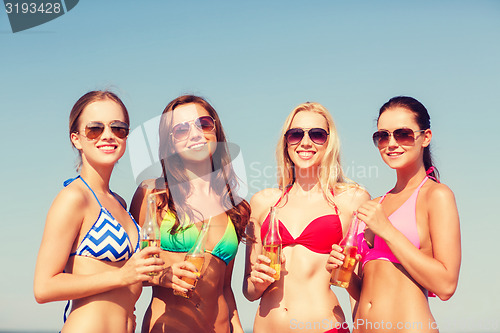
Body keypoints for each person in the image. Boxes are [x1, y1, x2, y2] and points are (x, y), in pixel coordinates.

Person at [327, 96, 461, 332]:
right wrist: (343, 273)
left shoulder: (436, 195)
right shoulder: (376, 203)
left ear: (425, 137)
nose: (391, 143)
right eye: (382, 136)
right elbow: (368, 290)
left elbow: (446, 285)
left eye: (403, 134)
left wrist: (387, 230)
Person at [34, 91, 164, 333]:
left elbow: (125, 278)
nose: (108, 135)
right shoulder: (74, 198)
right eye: (95, 129)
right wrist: (122, 276)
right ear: (76, 139)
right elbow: (43, 287)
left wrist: (165, 274)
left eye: (118, 128)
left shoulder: (119, 202)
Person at [243, 102, 370, 333]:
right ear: (286, 142)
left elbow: (363, 291)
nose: (305, 142)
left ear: (329, 142)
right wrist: (257, 282)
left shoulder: (352, 200)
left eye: (317, 134)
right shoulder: (262, 202)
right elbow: (249, 292)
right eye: (296, 134)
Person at [130, 95, 250, 333]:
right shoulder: (153, 194)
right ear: (170, 143)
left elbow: (225, 288)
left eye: (203, 124)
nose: (196, 134)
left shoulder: (236, 207)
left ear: (216, 132)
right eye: (182, 130)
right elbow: (126, 271)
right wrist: (160, 276)